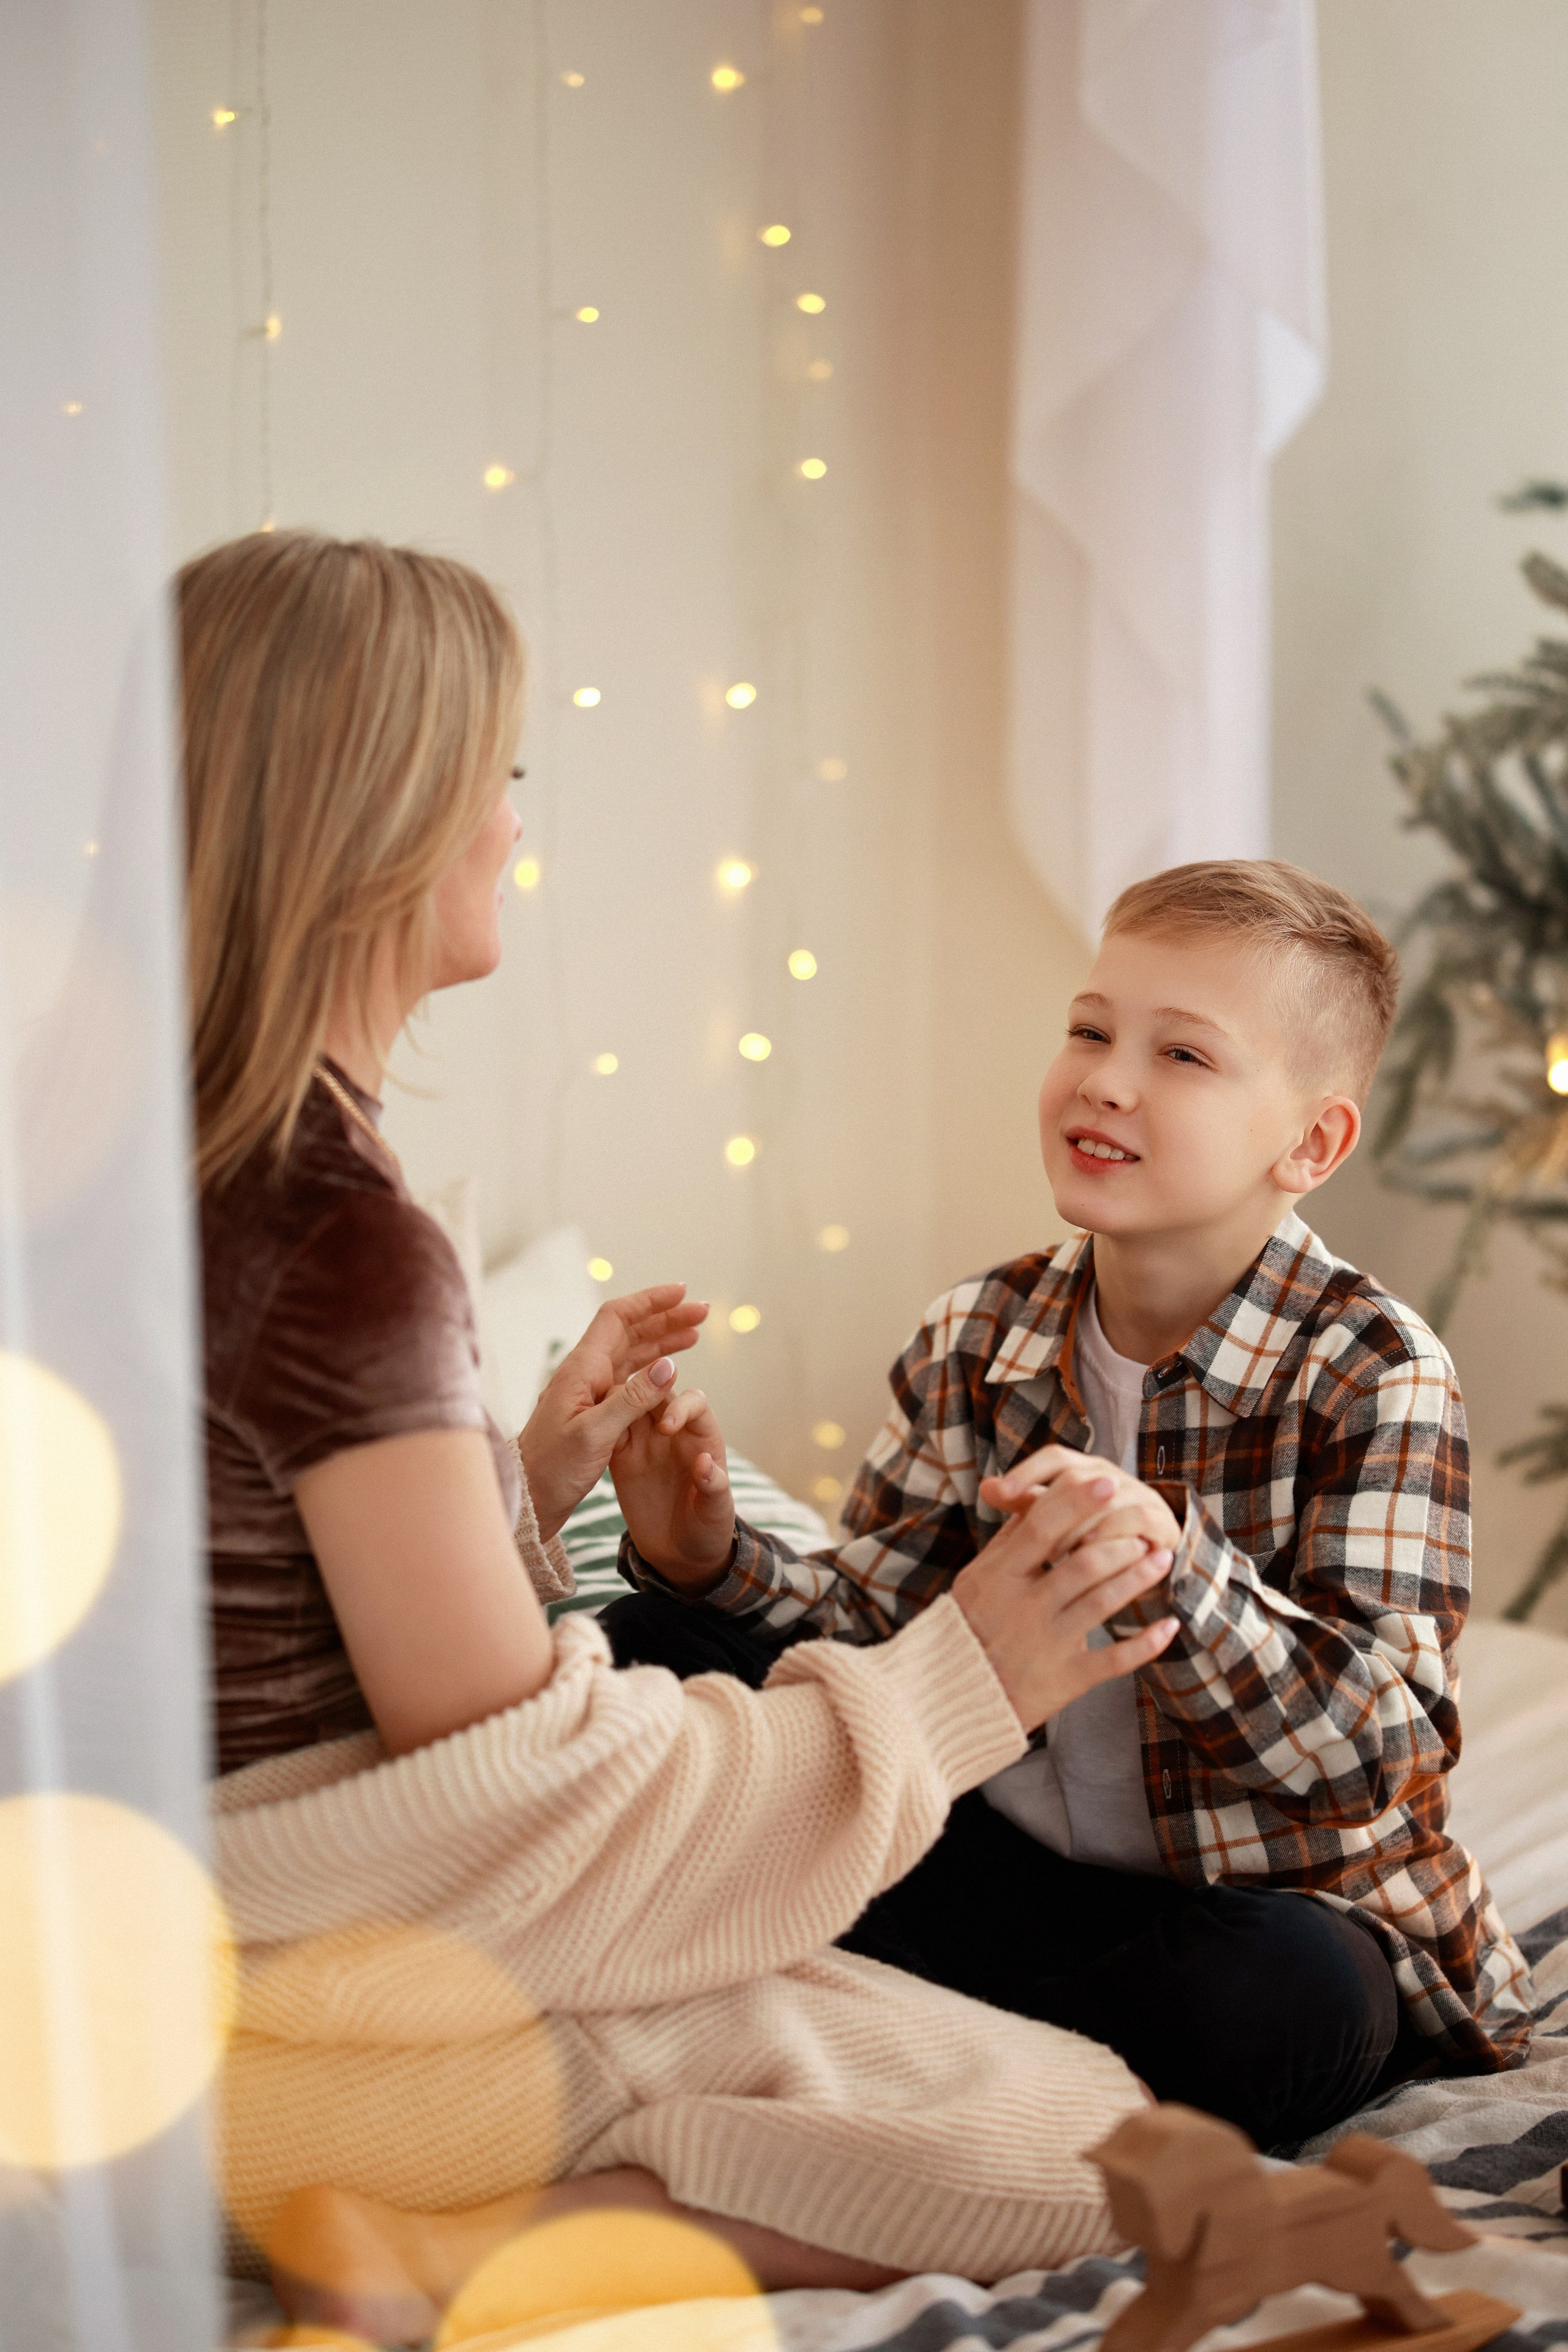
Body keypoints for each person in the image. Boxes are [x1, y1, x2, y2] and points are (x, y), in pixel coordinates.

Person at [187, 528, 1179, 2345]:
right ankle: (456, 2254)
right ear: (384, 816)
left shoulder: (168, 1179)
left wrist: (521, 1483)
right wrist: (969, 1676)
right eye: (497, 776)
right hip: (300, 2035)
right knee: (1098, 2140)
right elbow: (536, 1829)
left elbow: (278, 1639)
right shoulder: (334, 1232)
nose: (510, 825)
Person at [604, 859, 1536, 2152]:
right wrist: (700, 1552)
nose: (1105, 1077)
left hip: (1248, 1911)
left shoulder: (1371, 1370)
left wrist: (1173, 1565)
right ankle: (959, 2025)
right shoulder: (975, 1334)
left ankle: (939, 2036)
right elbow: (872, 1630)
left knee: (1291, 1996)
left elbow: (1372, 1756)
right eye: (1090, 1030)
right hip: (1000, 1878)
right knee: (644, 1651)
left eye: (1182, 1056)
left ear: (1308, 1144)